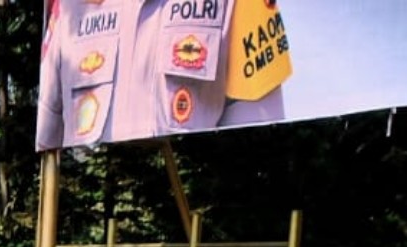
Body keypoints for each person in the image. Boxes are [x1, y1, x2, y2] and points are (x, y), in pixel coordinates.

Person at [35, 0, 290, 149]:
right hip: (85, 233)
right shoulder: (66, 6)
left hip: (190, 231)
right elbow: (47, 140)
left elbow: (258, 145)